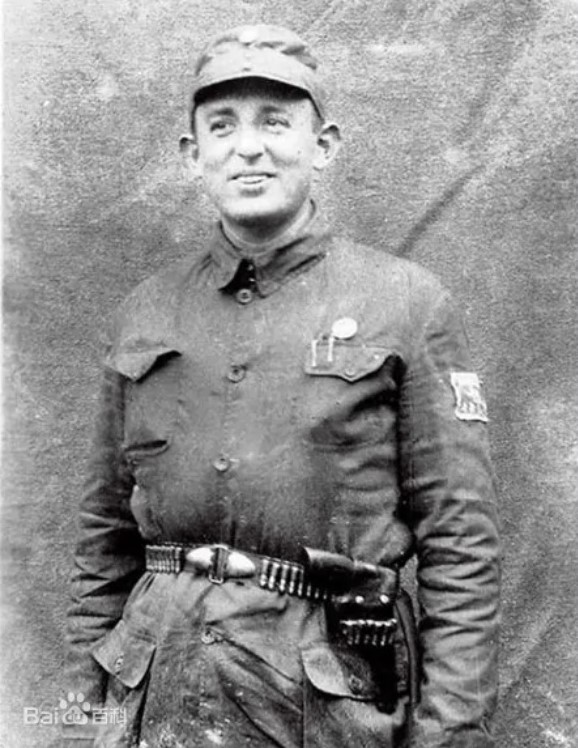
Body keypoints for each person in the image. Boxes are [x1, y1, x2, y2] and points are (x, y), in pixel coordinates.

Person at [65, 24, 500, 748]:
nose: (248, 147)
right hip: (155, 683)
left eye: (274, 122)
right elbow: (102, 537)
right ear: (192, 154)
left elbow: (461, 542)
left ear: (322, 145)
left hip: (324, 699)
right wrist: (79, 720)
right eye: (222, 126)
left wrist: (450, 735)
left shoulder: (408, 304)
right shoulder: (145, 312)